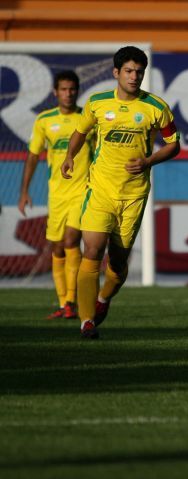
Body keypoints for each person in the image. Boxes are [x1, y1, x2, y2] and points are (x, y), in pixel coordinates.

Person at [61, 46, 181, 339]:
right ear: (116, 73)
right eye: (128, 71)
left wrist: (148, 161)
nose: (134, 76)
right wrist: (69, 156)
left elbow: (174, 145)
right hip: (100, 190)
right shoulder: (97, 103)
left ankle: (104, 298)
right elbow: (80, 131)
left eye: (139, 72)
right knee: (92, 251)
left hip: (133, 195)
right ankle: (86, 321)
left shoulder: (156, 107)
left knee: (117, 262)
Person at [18, 70, 92, 320]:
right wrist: (24, 191)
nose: (68, 94)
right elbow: (33, 156)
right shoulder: (44, 120)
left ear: (77, 91)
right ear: (55, 92)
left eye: (72, 89)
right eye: (63, 89)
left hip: (82, 191)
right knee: (57, 247)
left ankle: (72, 299)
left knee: (71, 241)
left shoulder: (88, 118)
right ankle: (64, 304)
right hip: (57, 195)